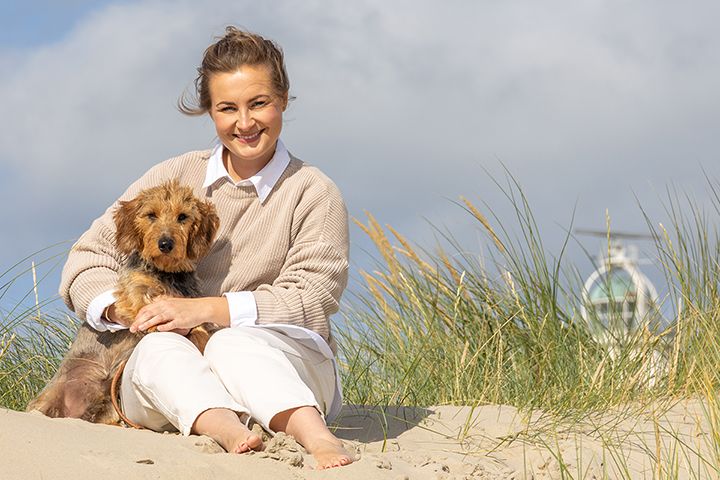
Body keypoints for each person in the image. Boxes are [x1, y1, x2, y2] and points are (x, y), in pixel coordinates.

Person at [59, 26, 354, 469]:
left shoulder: (313, 191)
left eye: (259, 103)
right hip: (179, 376)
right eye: (227, 108)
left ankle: (317, 437)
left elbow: (311, 298)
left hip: (283, 363)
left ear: (284, 100)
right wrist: (124, 309)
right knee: (158, 350)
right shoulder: (174, 173)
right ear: (209, 112)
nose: (245, 122)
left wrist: (206, 311)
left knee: (231, 345)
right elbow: (87, 258)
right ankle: (229, 430)